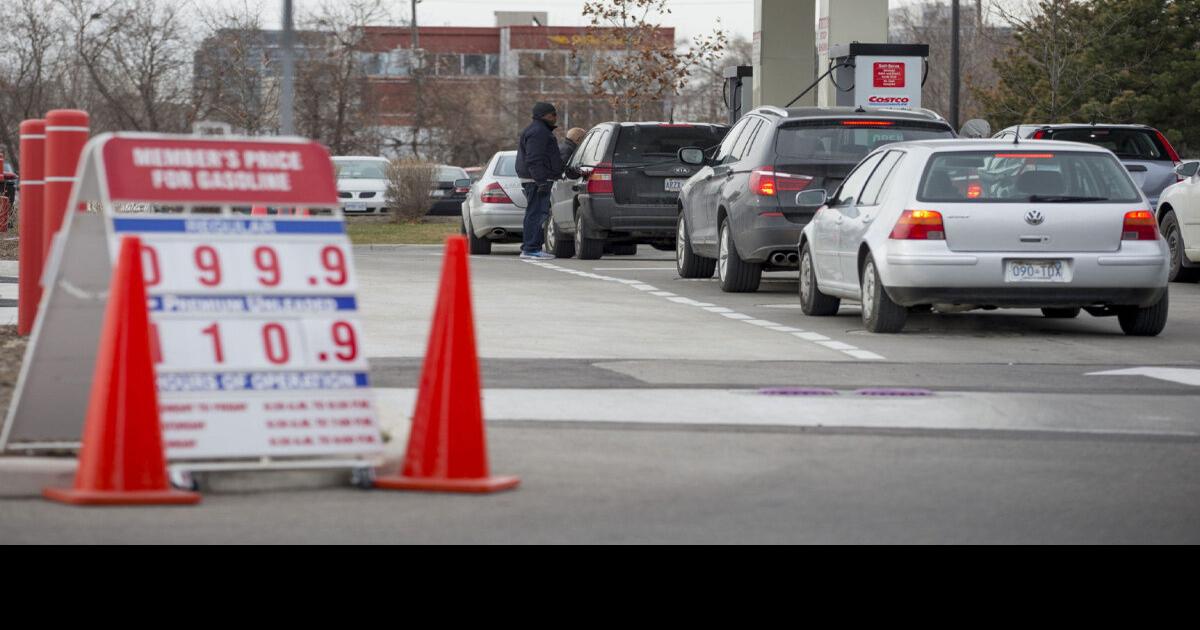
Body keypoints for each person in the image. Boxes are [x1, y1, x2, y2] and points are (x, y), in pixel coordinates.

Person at [515, 102, 564, 260]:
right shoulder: (538, 132)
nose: (556, 117)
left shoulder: (539, 130)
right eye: (553, 114)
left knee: (536, 213)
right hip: (536, 180)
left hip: (536, 179)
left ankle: (531, 247)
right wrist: (541, 181)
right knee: (536, 213)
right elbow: (534, 159)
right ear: (545, 115)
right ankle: (530, 249)